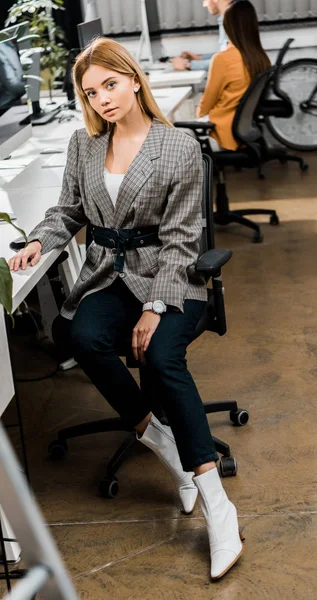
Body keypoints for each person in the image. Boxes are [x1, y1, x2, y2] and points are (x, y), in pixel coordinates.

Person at [8, 37, 244, 581]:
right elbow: (67, 210)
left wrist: (157, 306)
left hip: (172, 274)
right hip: (111, 274)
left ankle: (215, 501)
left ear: (134, 80)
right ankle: (160, 438)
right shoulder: (83, 146)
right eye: (91, 93)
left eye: (110, 85)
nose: (103, 100)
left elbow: (184, 240)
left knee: (161, 358)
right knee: (79, 336)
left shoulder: (177, 145)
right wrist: (40, 242)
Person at [195, 0, 271, 151]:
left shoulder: (223, 59)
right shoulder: (260, 57)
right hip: (244, 124)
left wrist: (198, 117)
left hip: (222, 127)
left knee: (179, 129)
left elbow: (208, 101)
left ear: (228, 26)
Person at [171, 0, 231, 72]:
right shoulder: (225, 18)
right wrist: (199, 58)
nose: (204, 5)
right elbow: (225, 54)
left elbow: (230, 59)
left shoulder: (234, 19)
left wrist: (188, 64)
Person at [0, 40, 25, 115]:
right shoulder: (2, 48)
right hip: (7, 105)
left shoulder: (8, 45)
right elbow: (12, 86)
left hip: (16, 100)